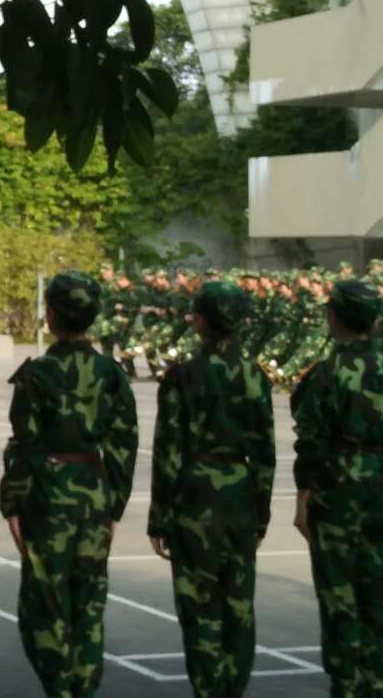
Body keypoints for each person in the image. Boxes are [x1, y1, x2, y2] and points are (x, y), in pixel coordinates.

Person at [0, 270, 138, 698]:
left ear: (52, 315)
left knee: (45, 604)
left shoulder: (38, 374)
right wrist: (113, 506)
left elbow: (25, 446)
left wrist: (13, 506)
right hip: (93, 493)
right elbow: (124, 446)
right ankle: (83, 687)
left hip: (48, 497)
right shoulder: (110, 373)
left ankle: (60, 688)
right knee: (89, 603)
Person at [148, 282, 275, 698]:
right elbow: (266, 453)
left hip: (194, 495)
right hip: (239, 496)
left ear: (201, 321)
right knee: (239, 606)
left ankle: (208, 689)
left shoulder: (184, 376)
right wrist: (261, 513)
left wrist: (160, 516)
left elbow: (167, 451)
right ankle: (233, 688)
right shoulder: (256, 376)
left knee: (200, 607)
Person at [291, 280, 383, 697]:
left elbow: (310, 440)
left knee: (339, 596)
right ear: (376, 322)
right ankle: (373, 681)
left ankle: (345, 683)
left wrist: (304, 497)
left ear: (332, 319)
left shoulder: (324, 375)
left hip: (334, 493)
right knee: (381, 593)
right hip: (379, 495)